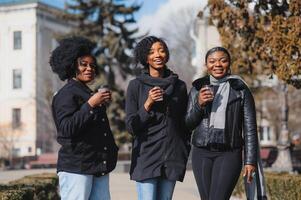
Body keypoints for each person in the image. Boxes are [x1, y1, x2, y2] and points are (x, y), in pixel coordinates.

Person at [185, 47, 259, 200]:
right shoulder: (197, 88)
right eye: (212, 61)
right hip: (201, 152)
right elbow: (187, 124)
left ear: (229, 63)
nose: (217, 64)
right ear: (206, 65)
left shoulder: (241, 89)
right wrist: (199, 104)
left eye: (222, 60)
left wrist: (250, 160)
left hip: (229, 153)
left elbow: (250, 127)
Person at [50, 36, 118, 200]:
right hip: (77, 168)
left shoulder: (87, 93)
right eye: (84, 64)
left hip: (98, 166)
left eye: (92, 65)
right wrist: (90, 105)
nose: (89, 69)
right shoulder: (65, 94)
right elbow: (66, 129)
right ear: (72, 64)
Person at [125, 36, 191, 200]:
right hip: (146, 157)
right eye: (152, 52)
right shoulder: (136, 85)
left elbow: (185, 123)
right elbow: (131, 126)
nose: (158, 55)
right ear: (145, 57)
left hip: (172, 157)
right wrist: (148, 103)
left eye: (161, 50)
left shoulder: (179, 86)